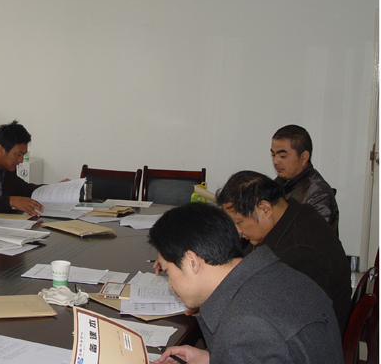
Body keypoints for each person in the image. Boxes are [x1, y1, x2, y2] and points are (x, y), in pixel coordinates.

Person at [150, 203, 344, 364]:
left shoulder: (244, 327)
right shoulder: (278, 275)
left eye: (167, 270)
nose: (170, 285)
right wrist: (214, 359)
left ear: (192, 262)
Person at [217, 170, 351, 333]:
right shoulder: (293, 216)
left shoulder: (299, 252)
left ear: (265, 209)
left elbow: (292, 322)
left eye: (239, 222)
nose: (238, 231)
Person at [271, 124, 339, 235]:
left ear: (304, 157)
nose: (275, 161)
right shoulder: (278, 183)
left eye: (282, 156)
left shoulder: (317, 192)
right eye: (273, 155)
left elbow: (312, 237)